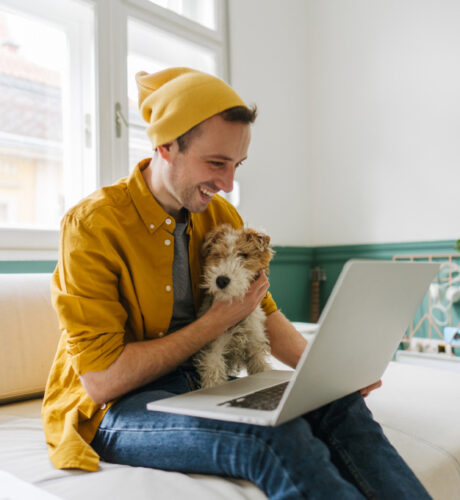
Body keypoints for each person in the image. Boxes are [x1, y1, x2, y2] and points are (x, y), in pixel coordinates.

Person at [42, 67, 431, 499]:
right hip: (116, 410)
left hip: (208, 382)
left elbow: (263, 312)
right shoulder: (92, 226)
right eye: (216, 163)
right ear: (166, 146)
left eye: (237, 165)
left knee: (340, 407)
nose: (228, 184)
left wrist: (328, 376)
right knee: (270, 438)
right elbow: (102, 381)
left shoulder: (221, 215)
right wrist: (215, 322)